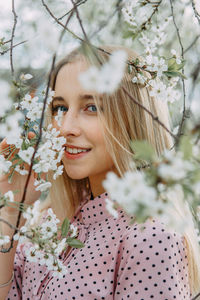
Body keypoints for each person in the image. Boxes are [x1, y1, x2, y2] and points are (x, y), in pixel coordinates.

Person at [0, 45, 200, 299]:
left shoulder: (150, 237)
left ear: (130, 117)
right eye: (59, 108)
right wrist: (10, 210)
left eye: (91, 107)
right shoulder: (49, 223)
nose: (65, 127)